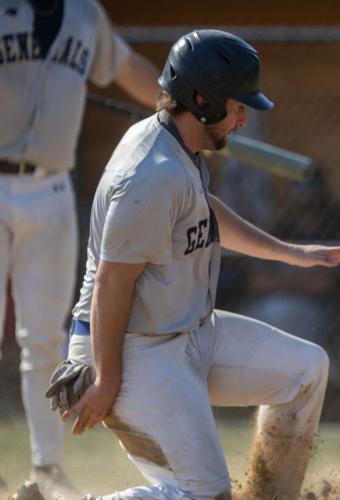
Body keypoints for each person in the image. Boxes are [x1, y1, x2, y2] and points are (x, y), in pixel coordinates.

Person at [41, 28, 340, 500]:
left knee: (305, 371)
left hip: (188, 332)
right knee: (202, 496)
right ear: (200, 99)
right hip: (131, 347)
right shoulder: (150, 174)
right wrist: (107, 378)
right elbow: (112, 282)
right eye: (237, 106)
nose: (244, 119)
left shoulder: (181, 151)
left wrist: (293, 254)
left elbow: (204, 209)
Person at [0, 1, 160, 497]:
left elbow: (127, 67)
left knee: (45, 337)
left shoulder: (83, 13)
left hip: (51, 189)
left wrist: (184, 108)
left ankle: (46, 471)